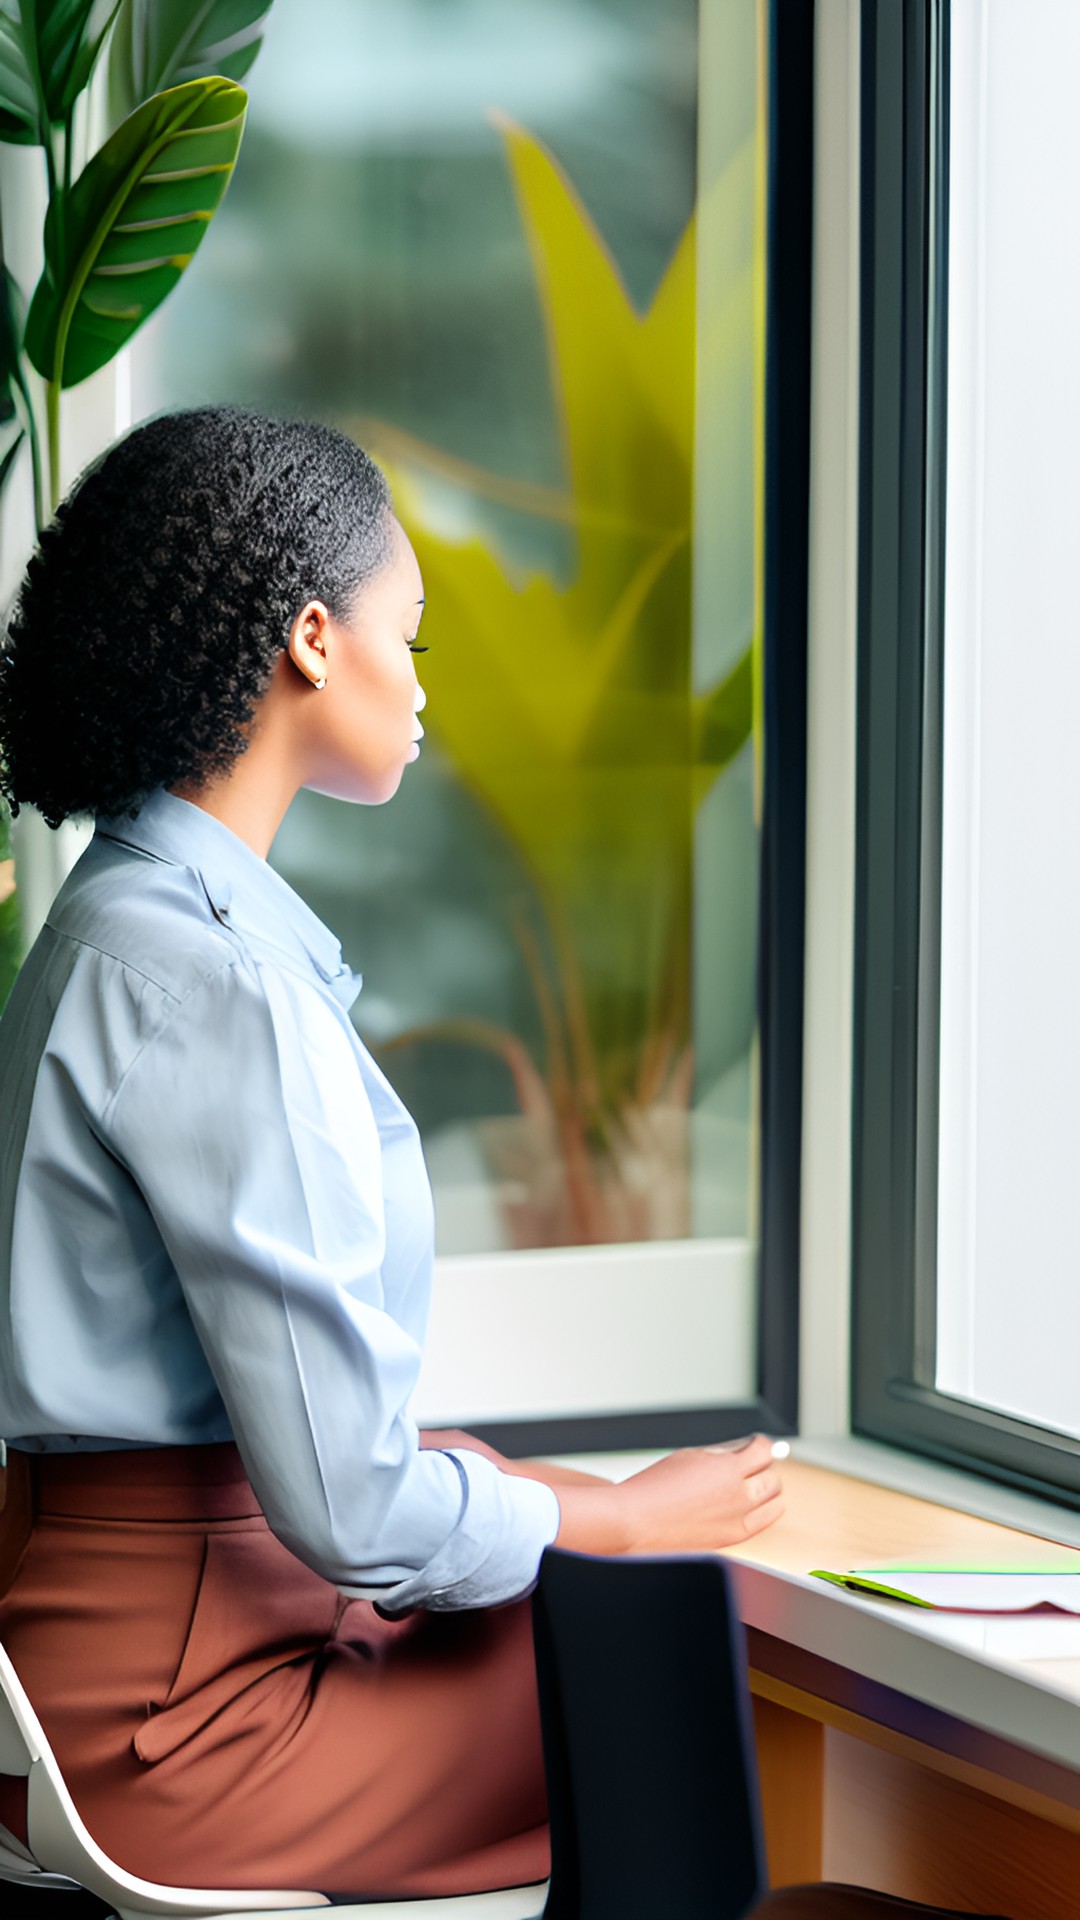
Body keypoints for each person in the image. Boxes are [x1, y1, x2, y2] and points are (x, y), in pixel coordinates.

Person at [0, 406, 787, 1899]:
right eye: (407, 639)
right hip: (187, 1724)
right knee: (678, 1695)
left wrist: (506, 1491)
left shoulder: (108, 925)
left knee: (573, 1615)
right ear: (309, 638)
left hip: (86, 1664)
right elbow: (351, 1509)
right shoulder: (220, 985)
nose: (423, 691)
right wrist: (617, 1513)